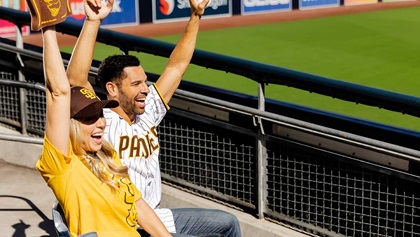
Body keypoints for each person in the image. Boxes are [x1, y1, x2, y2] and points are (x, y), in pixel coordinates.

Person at [67, 0, 242, 236]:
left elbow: (177, 66)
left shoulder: (148, 110)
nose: (146, 89)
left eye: (145, 82)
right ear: (112, 88)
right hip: (125, 223)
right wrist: (92, 21)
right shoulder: (99, 121)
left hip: (156, 216)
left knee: (228, 223)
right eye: (136, 84)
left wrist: (195, 16)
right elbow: (75, 81)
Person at [33, 0, 172, 236]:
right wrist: (49, 28)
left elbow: (138, 205)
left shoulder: (107, 156)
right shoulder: (62, 165)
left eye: (100, 115)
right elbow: (59, 91)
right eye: (89, 118)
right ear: (69, 125)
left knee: (226, 224)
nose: (101, 123)